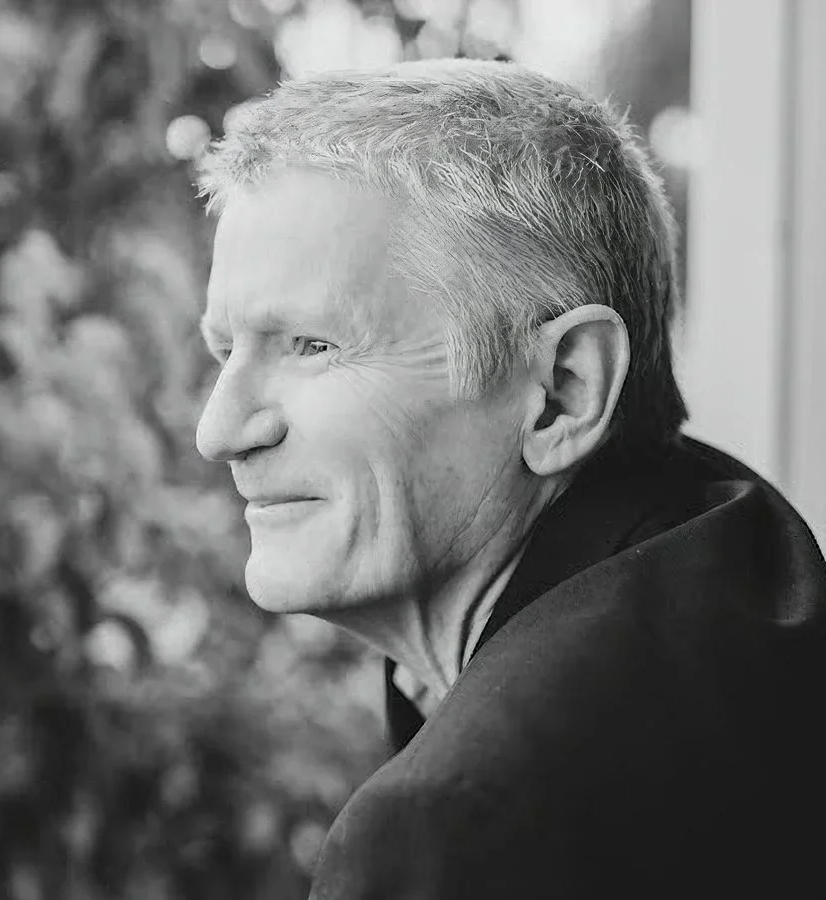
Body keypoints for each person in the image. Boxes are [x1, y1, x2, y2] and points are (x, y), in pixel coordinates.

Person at [194, 59, 826, 899]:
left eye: (312, 345)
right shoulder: (744, 573)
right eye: (223, 351)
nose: (219, 432)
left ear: (563, 391)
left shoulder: (456, 826)